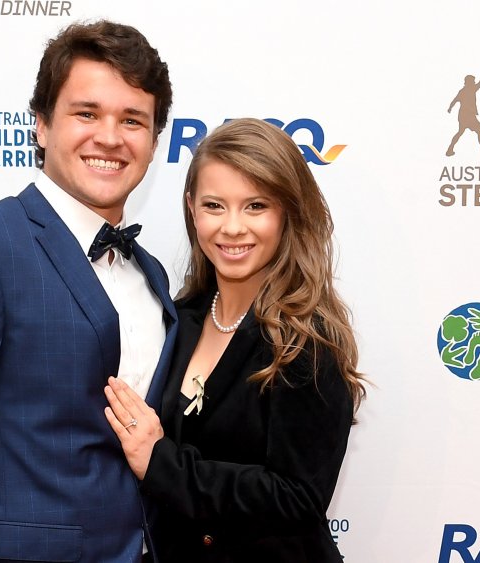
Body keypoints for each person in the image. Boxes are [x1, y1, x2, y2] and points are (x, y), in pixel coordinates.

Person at [0, 20, 176, 563]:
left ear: (155, 141)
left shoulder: (151, 274)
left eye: (132, 120)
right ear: (42, 125)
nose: (110, 137)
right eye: (86, 113)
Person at [103, 118, 367, 562]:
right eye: (214, 205)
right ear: (191, 208)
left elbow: (298, 499)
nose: (232, 227)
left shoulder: (306, 342)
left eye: (256, 206)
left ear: (287, 212)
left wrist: (160, 463)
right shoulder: (178, 318)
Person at [446, 59, 480, 157]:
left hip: (463, 115)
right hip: (468, 115)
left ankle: (450, 149)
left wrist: (450, 108)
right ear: (469, 82)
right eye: (473, 81)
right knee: (479, 131)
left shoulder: (463, 91)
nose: (474, 82)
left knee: (460, 132)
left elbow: (454, 100)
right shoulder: (471, 89)